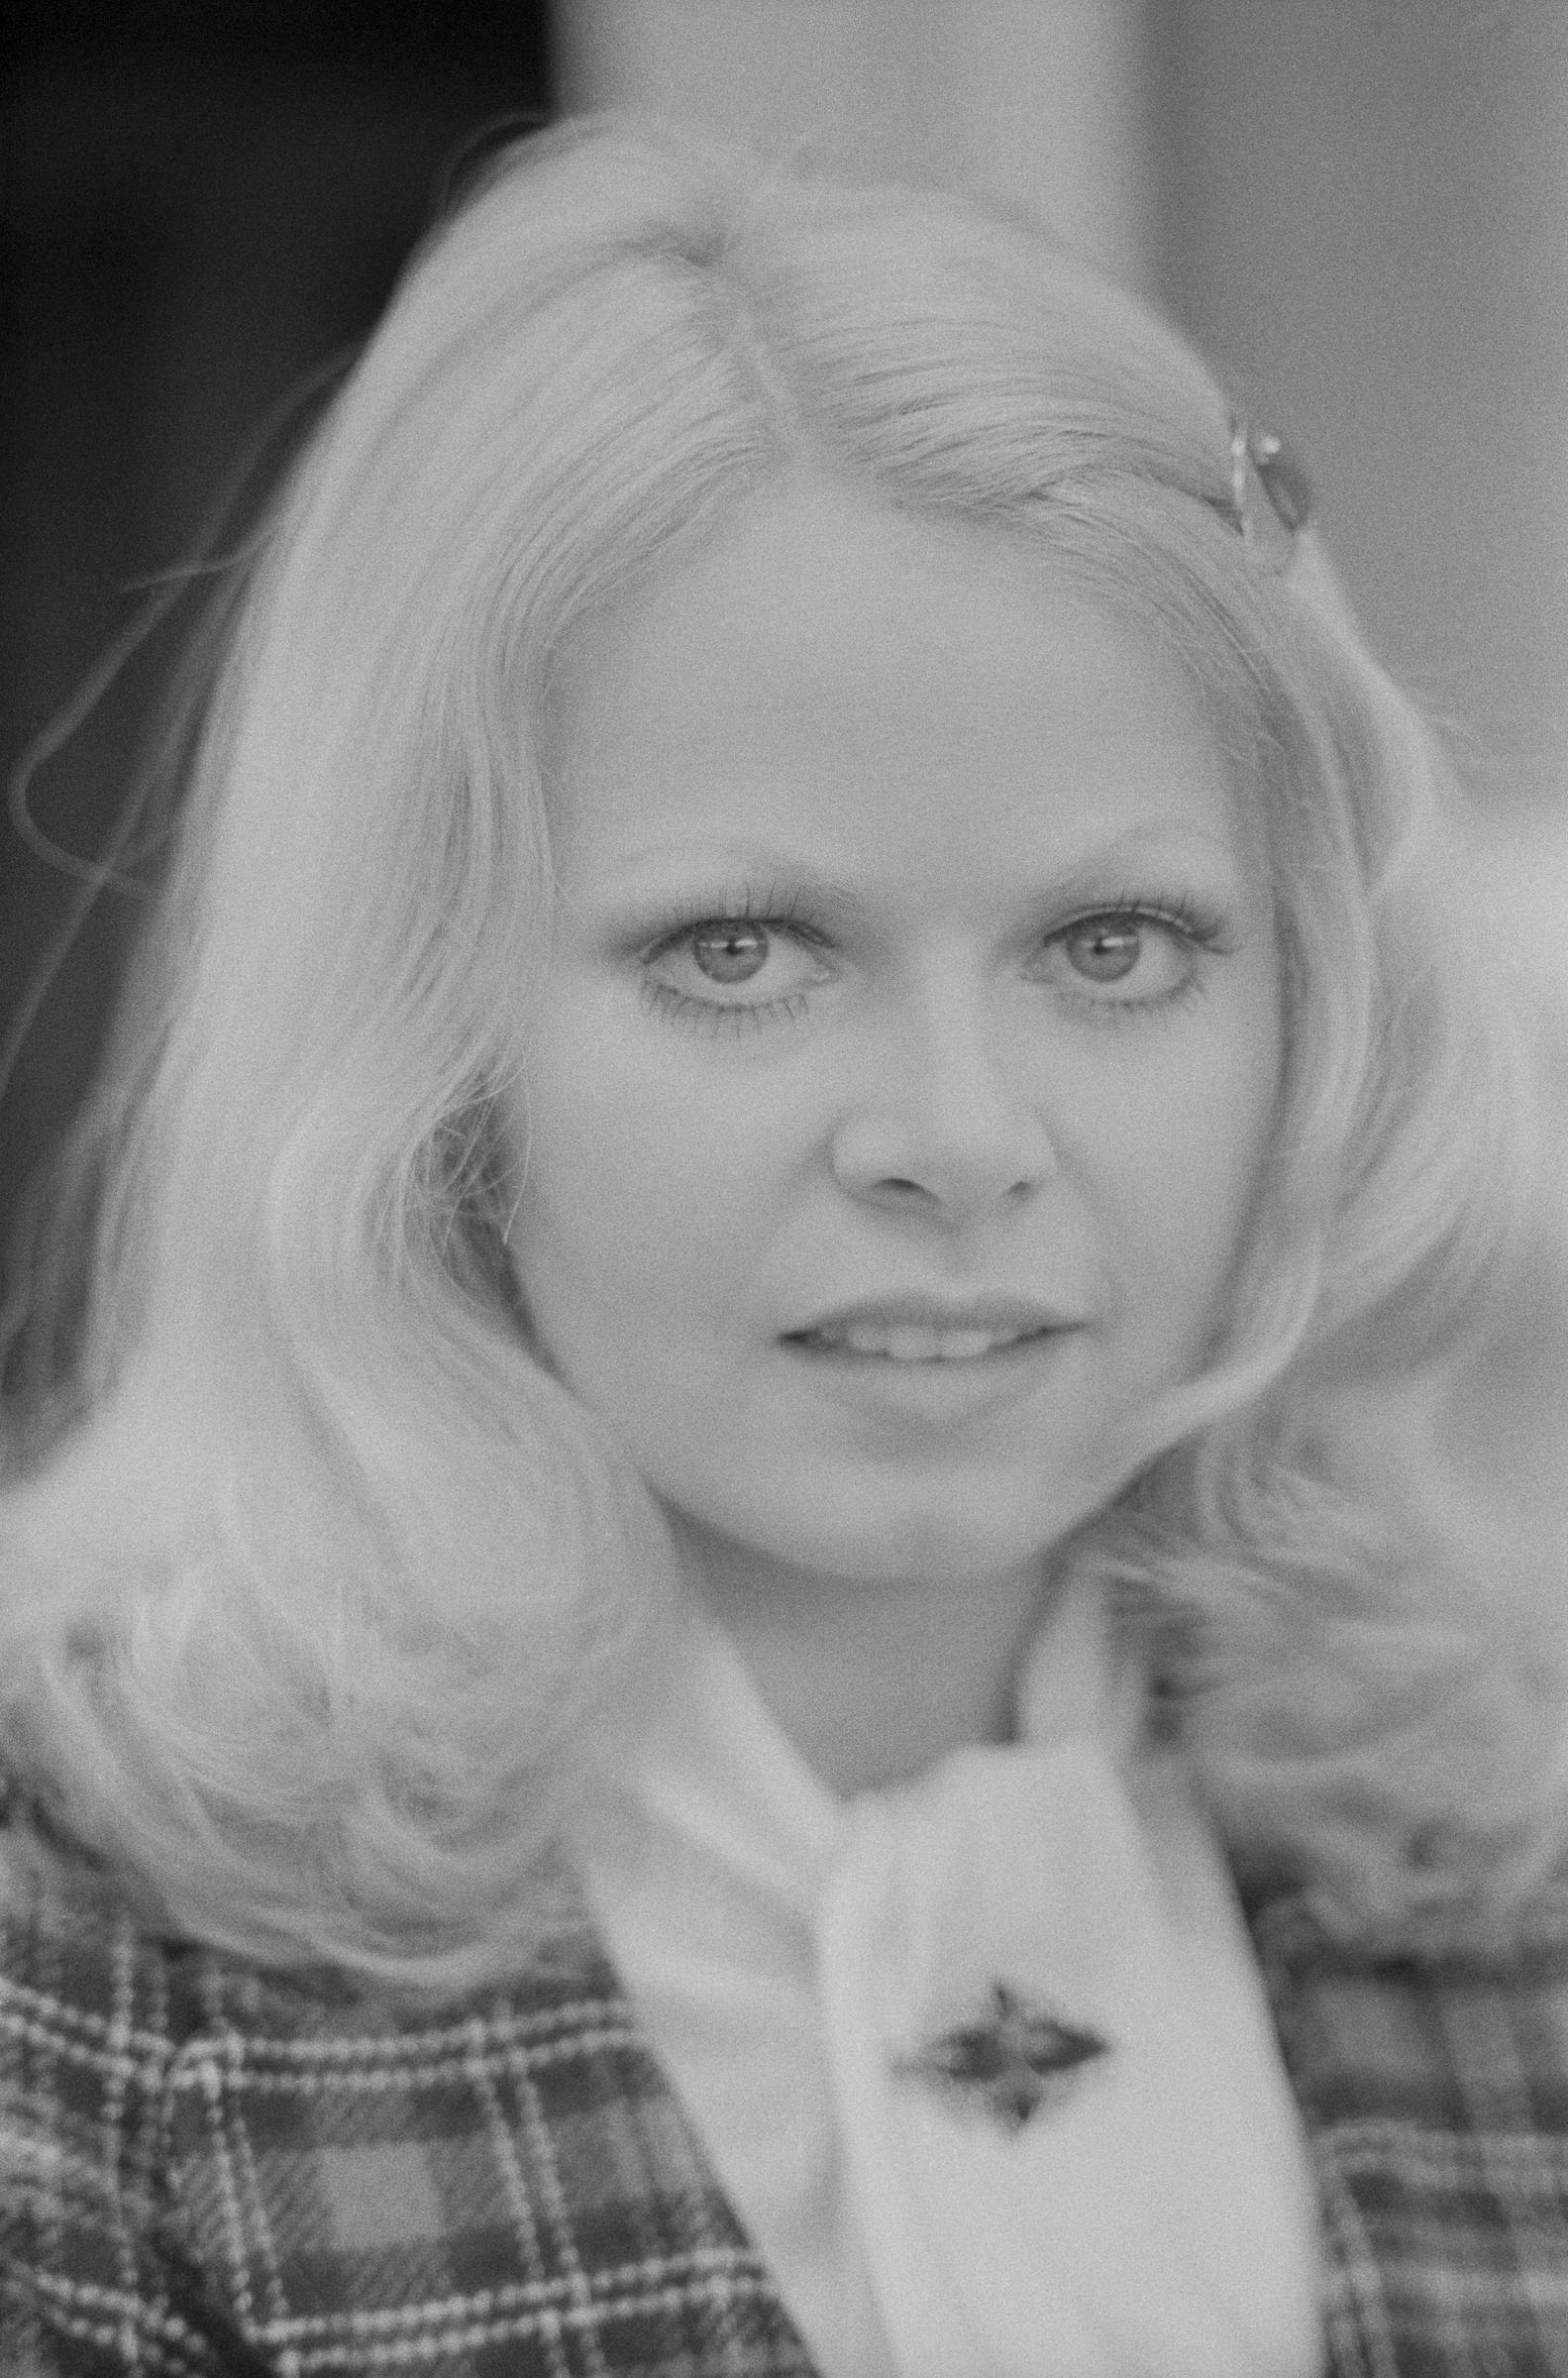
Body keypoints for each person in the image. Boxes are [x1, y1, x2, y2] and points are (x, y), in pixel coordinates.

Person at [2, 112, 1566, 2378]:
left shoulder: (1506, 1851)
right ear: (429, 1035)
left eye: (1116, 943)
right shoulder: (76, 1982)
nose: (957, 1140)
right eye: (742, 950)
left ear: (1313, 1010)